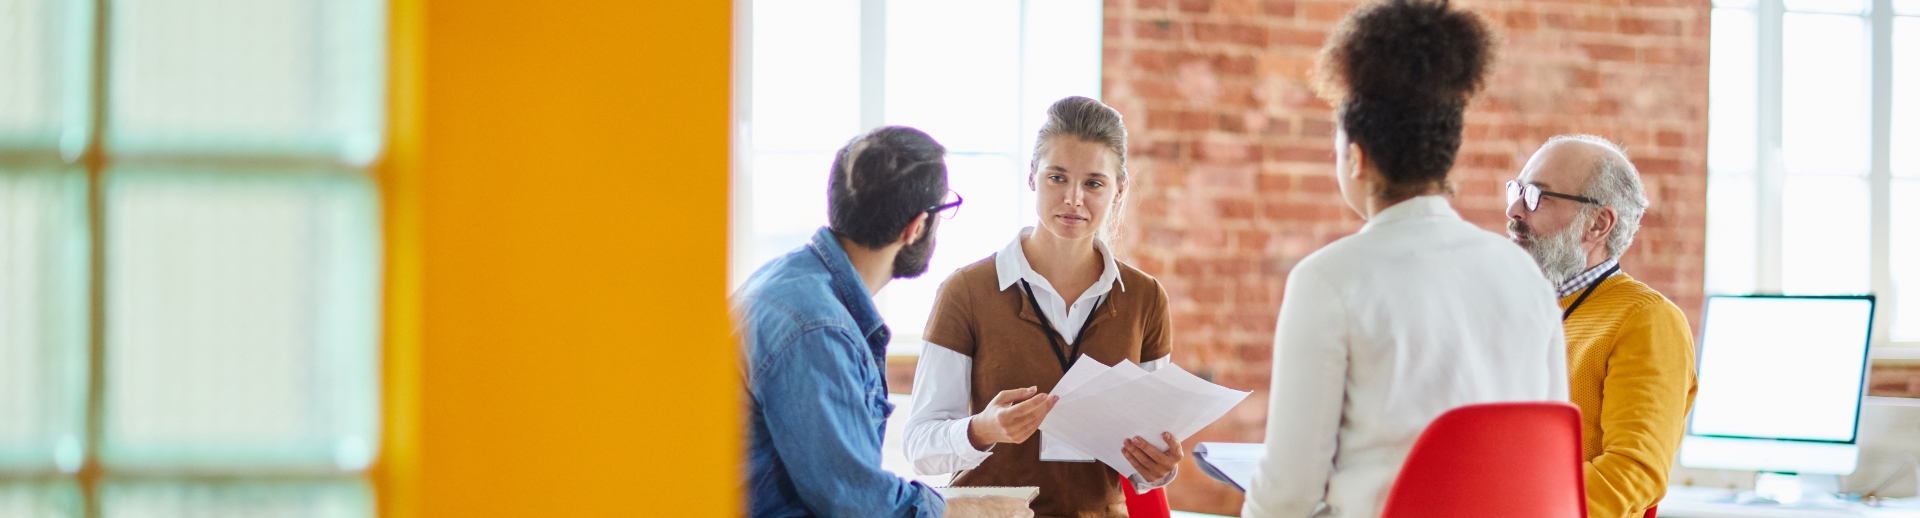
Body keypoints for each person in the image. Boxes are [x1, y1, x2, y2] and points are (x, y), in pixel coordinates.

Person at [1242, 1, 1570, 516]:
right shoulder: (1523, 276)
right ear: (1447, 154)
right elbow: (1545, 452)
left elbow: (1286, 496)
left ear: (1356, 156)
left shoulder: (1329, 281)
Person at [902, 96, 1183, 518]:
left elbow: (1147, 453)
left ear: (1118, 190)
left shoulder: (1145, 298)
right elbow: (920, 446)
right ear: (1032, 178)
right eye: (1057, 177)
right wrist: (983, 430)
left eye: (1093, 183)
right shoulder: (966, 292)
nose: (1073, 198)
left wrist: (1158, 468)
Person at [735, 126, 1032, 518]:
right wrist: (976, 510)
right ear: (917, 227)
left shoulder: (786, 281)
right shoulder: (819, 330)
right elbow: (854, 501)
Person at [1505, 135, 1698, 518]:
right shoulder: (1525, 312)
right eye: (1517, 190)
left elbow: (1631, 472)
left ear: (1597, 223)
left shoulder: (1647, 319)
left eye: (1536, 198)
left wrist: (1512, 508)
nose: (1513, 210)